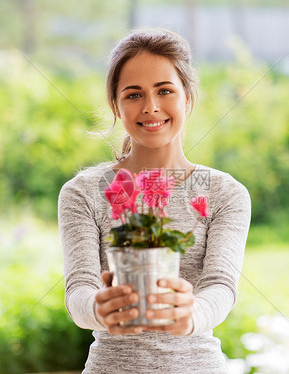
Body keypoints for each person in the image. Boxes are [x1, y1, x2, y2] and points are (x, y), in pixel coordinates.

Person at [58, 28, 251, 373]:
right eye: (133, 95)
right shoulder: (83, 193)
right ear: (116, 105)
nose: (150, 107)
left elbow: (221, 286)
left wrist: (190, 315)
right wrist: (99, 309)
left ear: (187, 98)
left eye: (164, 90)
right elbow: (78, 291)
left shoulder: (225, 193)